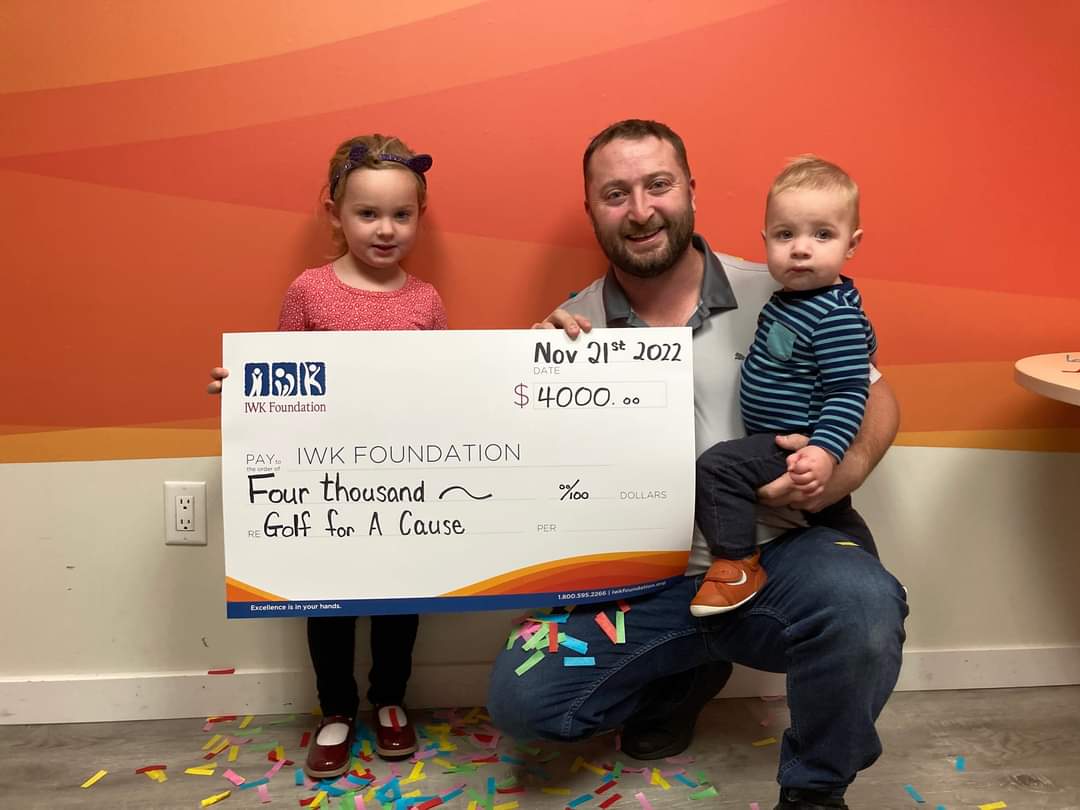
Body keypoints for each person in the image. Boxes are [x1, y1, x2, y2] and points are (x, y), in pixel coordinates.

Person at [485, 120, 908, 810]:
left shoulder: (780, 288)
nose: (642, 210)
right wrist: (530, 374)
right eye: (615, 194)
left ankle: (814, 791)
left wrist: (847, 467)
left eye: (658, 185)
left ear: (690, 191)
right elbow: (531, 474)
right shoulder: (568, 329)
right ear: (591, 209)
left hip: (779, 554)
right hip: (638, 584)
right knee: (525, 704)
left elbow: (877, 395)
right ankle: (684, 668)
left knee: (861, 609)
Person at [208, 134, 445, 778]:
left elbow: (445, 389)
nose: (386, 228)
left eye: (402, 214)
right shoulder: (309, 291)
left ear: (420, 217)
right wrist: (241, 393)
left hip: (403, 481)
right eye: (368, 213)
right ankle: (336, 709)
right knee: (330, 606)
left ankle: (391, 700)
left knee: (401, 601)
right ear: (336, 214)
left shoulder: (426, 302)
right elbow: (280, 379)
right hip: (325, 484)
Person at [691, 156, 877, 616]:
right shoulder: (797, 300)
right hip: (784, 437)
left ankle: (735, 564)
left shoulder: (834, 314)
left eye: (822, 234)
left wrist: (826, 451)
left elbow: (850, 390)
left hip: (794, 441)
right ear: (766, 239)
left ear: (851, 244)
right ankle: (875, 576)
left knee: (718, 468)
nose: (800, 249)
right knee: (833, 514)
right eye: (785, 234)